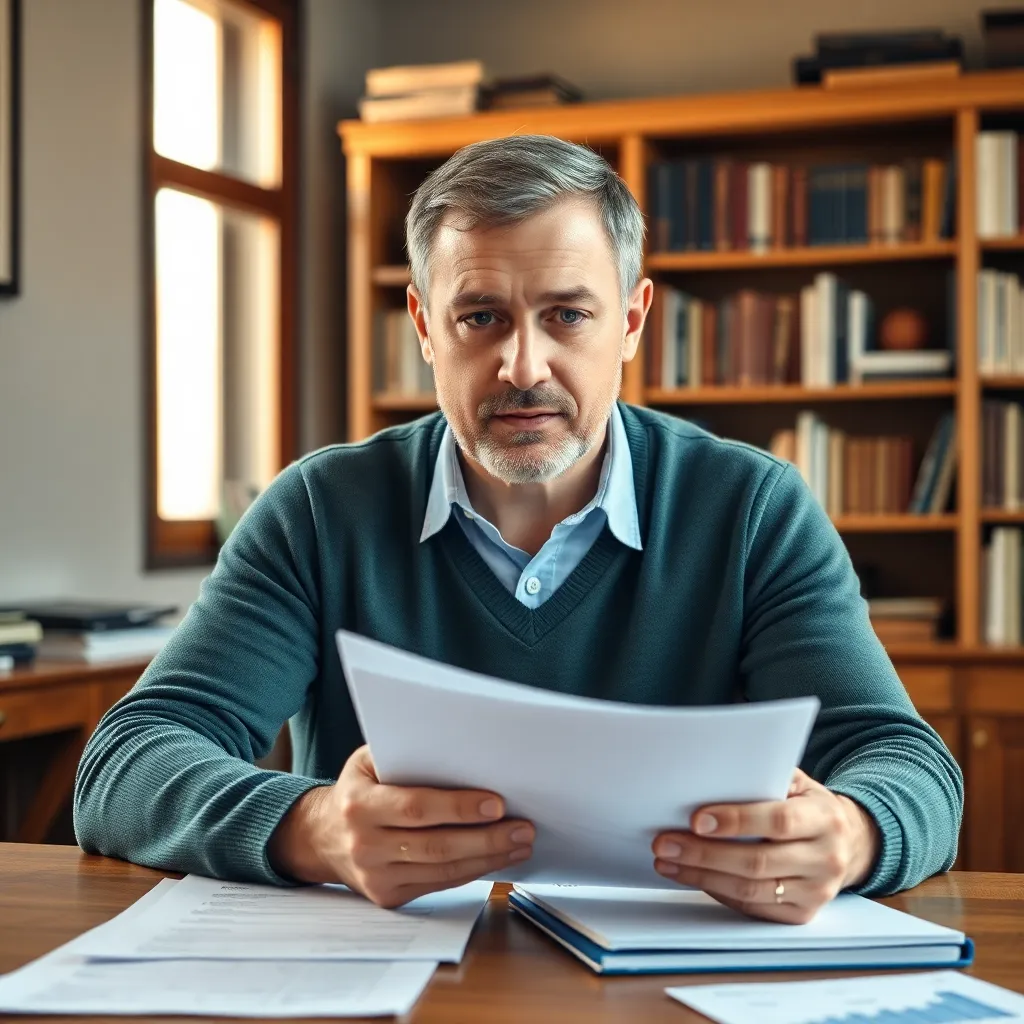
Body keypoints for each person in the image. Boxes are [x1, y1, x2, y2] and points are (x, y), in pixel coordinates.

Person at [74, 135, 962, 924]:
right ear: (425, 327)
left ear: (632, 322)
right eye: (481, 317)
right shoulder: (320, 510)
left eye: (568, 315)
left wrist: (851, 834)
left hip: (670, 983)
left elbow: (905, 763)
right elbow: (126, 762)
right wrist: (313, 829)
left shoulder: (752, 509)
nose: (523, 366)